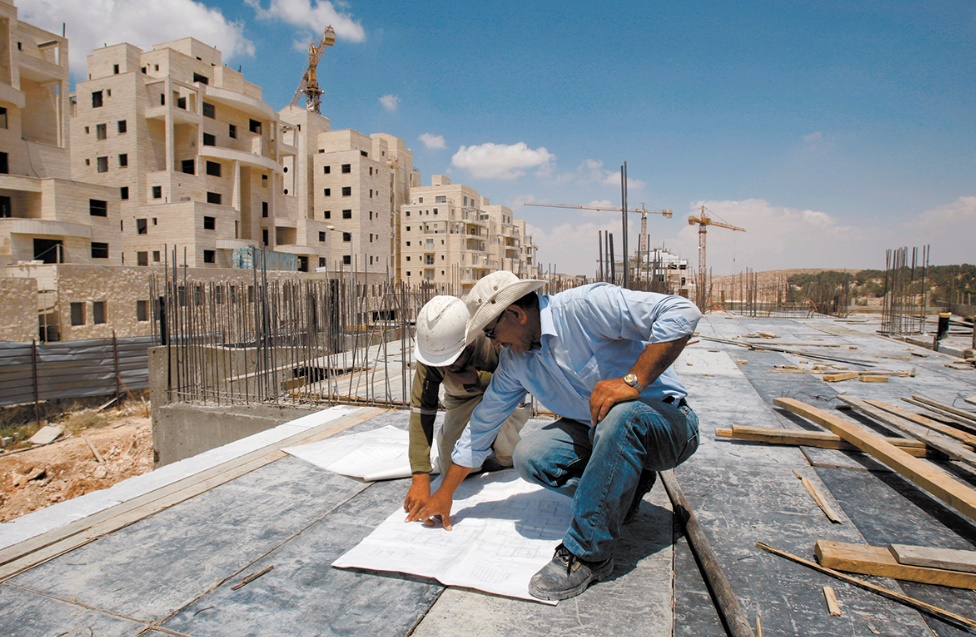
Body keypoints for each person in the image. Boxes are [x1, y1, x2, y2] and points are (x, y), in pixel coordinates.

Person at [406, 272, 701, 601]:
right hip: (600, 431)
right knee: (528, 456)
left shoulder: (586, 307)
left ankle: (588, 553)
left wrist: (632, 381)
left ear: (516, 315)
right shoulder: (517, 362)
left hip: (667, 423)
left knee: (621, 414)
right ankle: (624, 491)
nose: (493, 344)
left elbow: (682, 312)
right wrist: (445, 491)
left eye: (491, 332)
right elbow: (482, 425)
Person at [403, 295, 528, 520]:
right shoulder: (432, 351)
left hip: (503, 400)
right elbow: (422, 411)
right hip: (460, 403)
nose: (448, 365)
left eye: (453, 357)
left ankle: (498, 449)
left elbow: (520, 384)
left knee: (509, 457)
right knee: (451, 464)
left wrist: (478, 378)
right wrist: (420, 478)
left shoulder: (494, 336)